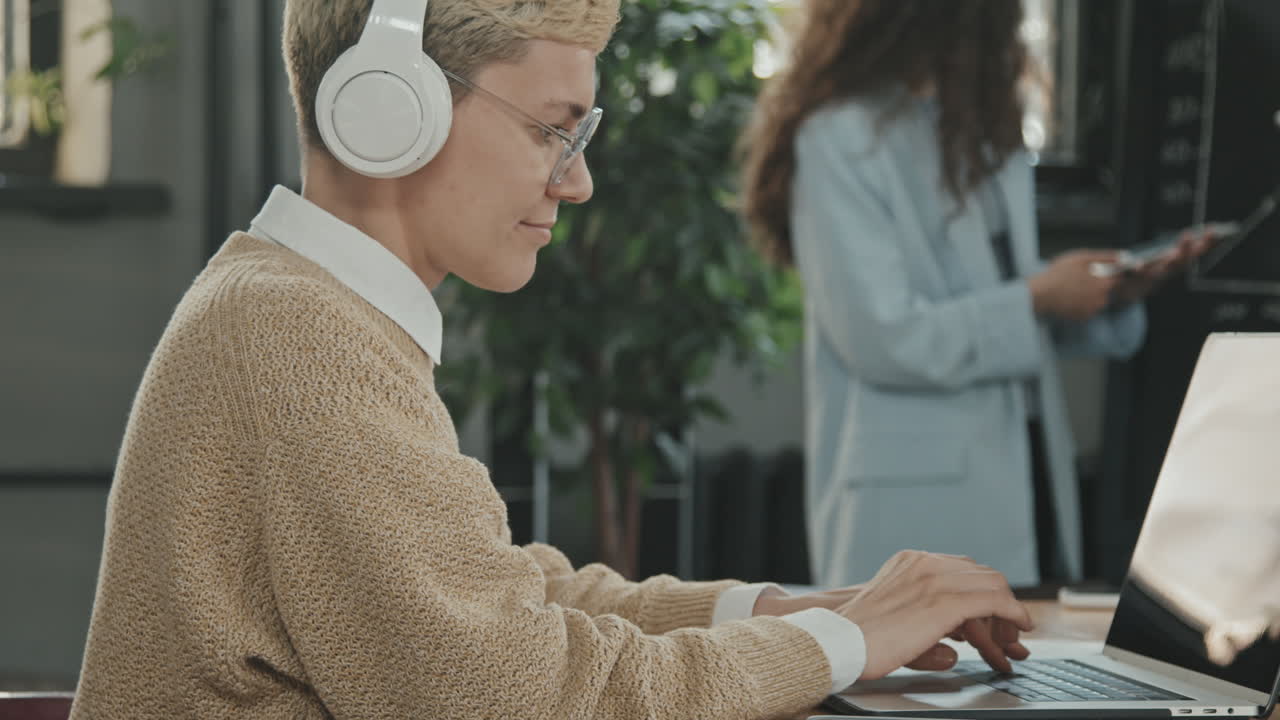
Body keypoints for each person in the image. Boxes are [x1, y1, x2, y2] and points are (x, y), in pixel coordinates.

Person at [69, 1, 1036, 718]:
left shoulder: (301, 308)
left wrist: (797, 610)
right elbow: (516, 694)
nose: (576, 181)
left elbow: (506, 600)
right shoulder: (297, 342)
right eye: (551, 128)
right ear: (387, 110)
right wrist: (846, 643)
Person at [741, 0, 1217, 589]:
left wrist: (1104, 294)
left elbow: (999, 298)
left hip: (1030, 465)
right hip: (917, 497)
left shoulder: (981, 129)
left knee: (1031, 661)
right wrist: (1039, 297)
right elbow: (882, 337)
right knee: (926, 667)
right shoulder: (839, 137)